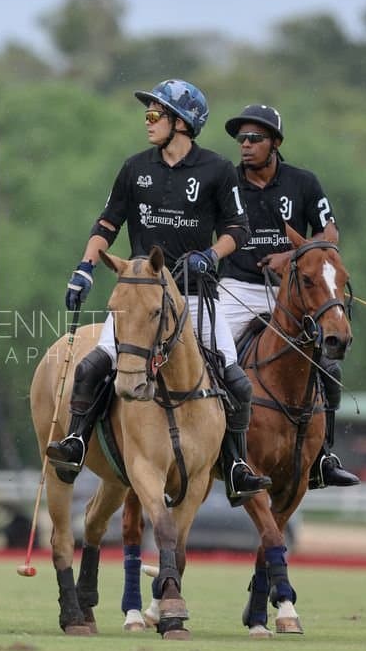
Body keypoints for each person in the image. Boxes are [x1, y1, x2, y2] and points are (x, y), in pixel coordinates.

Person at [45, 78, 272, 505]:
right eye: (148, 114)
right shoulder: (135, 168)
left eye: (155, 114)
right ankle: (75, 441)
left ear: (181, 122)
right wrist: (85, 268)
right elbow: (107, 224)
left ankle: (236, 466)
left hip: (195, 296)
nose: (147, 121)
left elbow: (237, 229)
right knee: (93, 366)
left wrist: (211, 254)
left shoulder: (218, 170)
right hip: (140, 298)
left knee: (236, 381)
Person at [217, 104, 360, 488]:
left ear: (275, 143)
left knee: (328, 367)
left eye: (255, 138)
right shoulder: (226, 182)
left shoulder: (303, 182)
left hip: (293, 293)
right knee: (209, 357)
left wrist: (292, 256)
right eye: (242, 139)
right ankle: (215, 450)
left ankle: (324, 456)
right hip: (236, 288)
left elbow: (330, 234)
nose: (245, 145)